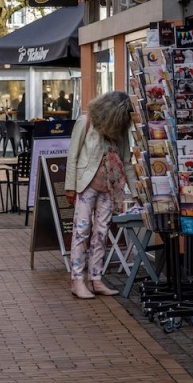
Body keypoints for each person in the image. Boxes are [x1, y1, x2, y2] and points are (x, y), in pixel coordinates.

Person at [65, 91, 136, 299]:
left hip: (110, 187)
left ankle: (96, 279)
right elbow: (73, 156)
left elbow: (126, 161)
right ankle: (77, 280)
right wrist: (70, 186)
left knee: (102, 232)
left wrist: (135, 191)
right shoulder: (85, 122)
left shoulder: (120, 130)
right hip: (87, 185)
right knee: (81, 231)